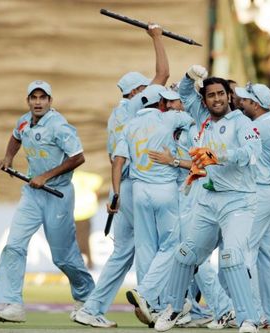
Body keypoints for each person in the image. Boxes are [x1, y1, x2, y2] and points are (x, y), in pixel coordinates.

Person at [74, 23, 170, 328]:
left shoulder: (119, 113)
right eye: (147, 89)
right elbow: (163, 75)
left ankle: (91, 309)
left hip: (125, 188)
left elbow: (115, 157)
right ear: (138, 92)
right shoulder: (134, 106)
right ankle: (152, 304)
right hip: (137, 185)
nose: (154, 94)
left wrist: (115, 194)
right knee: (147, 248)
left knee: (124, 252)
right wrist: (157, 38)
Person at [154, 65, 262, 333]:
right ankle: (175, 308)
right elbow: (186, 92)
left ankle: (248, 318)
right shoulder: (201, 116)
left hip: (238, 201)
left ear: (229, 96)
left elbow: (251, 153)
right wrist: (190, 76)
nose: (216, 99)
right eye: (211, 95)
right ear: (205, 100)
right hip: (207, 200)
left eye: (221, 94)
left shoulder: (242, 123)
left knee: (231, 257)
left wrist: (219, 156)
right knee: (185, 254)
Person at [0, 80, 95, 323]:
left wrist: (46, 176)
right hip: (32, 193)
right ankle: (13, 305)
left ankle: (87, 297)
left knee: (63, 256)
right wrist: (8, 158)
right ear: (28, 101)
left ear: (50, 101)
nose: (38, 102)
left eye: (42, 98)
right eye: (33, 98)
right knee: (14, 245)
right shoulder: (24, 120)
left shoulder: (59, 126)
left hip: (57, 194)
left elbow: (78, 157)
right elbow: (16, 135)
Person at [148, 89, 235, 329]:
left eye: (176, 100)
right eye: (169, 101)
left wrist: (173, 161)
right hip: (186, 195)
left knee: (191, 253)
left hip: (201, 193)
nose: (173, 105)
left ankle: (221, 308)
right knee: (189, 254)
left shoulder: (203, 127)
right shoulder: (183, 128)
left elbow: (208, 165)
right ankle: (199, 308)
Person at [112, 84, 195, 327]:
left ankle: (155, 306)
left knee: (146, 247)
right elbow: (193, 117)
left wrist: (116, 194)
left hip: (138, 191)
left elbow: (118, 162)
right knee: (171, 245)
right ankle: (146, 293)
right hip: (164, 188)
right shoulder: (168, 118)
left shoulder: (129, 126)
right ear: (160, 104)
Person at [235, 82, 270, 329]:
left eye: (244, 100)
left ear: (255, 104)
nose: (240, 102)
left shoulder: (256, 126)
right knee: (266, 255)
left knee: (246, 251)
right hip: (268, 192)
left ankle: (255, 314)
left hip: (257, 192)